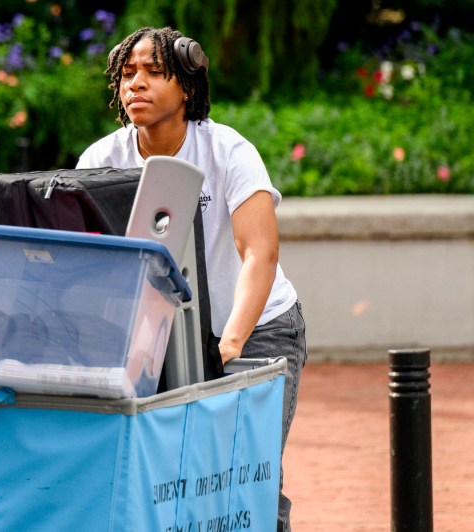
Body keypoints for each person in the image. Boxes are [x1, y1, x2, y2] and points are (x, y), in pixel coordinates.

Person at [76, 26, 307, 532]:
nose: (135, 83)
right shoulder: (100, 162)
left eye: (154, 72)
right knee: (167, 478)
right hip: (156, 339)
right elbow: (93, 268)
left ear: (186, 87)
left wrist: (230, 343)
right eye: (128, 72)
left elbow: (260, 253)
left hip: (257, 331)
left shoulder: (227, 151)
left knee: (246, 477)